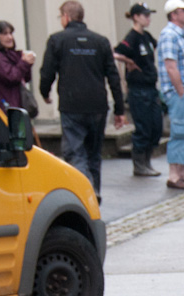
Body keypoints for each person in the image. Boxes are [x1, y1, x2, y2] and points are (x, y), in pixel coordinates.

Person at [40, 1, 125, 201]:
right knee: (94, 154)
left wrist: (44, 92)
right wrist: (119, 108)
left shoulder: (57, 40)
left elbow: (47, 71)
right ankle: (94, 191)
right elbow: (113, 76)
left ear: (66, 17)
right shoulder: (101, 41)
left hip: (71, 104)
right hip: (97, 105)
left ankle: (85, 190)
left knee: (74, 152)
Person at [115, 4, 164, 178]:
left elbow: (157, 48)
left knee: (156, 127)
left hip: (151, 87)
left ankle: (147, 161)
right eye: (145, 15)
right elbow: (115, 52)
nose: (148, 18)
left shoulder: (147, 37)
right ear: (136, 17)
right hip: (139, 89)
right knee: (143, 127)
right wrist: (128, 61)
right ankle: (139, 164)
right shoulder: (132, 37)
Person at [158, 0, 184, 190]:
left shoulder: (181, 35)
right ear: (173, 14)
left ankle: (182, 173)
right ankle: (174, 175)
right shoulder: (169, 35)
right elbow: (170, 66)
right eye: (183, 10)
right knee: (180, 131)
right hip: (178, 93)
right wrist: (181, 91)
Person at [0, 21, 35, 116]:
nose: (10, 37)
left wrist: (28, 62)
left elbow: (26, 78)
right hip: (5, 107)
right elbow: (11, 76)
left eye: (11, 33)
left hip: (17, 104)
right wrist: (24, 62)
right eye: (5, 34)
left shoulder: (12, 54)